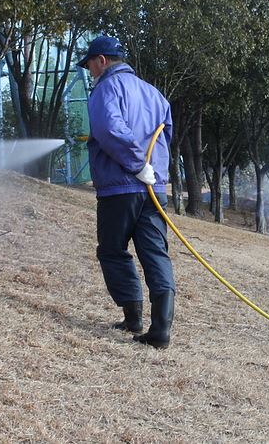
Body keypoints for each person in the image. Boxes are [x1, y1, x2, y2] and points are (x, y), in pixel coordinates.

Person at [77, 35, 176, 349]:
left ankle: (133, 316)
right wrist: (151, 172)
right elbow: (166, 135)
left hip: (121, 187)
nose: (90, 71)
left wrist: (135, 164)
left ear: (102, 60)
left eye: (91, 64)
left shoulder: (105, 88)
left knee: (111, 249)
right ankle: (160, 330)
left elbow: (109, 128)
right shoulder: (155, 94)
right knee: (155, 253)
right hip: (154, 187)